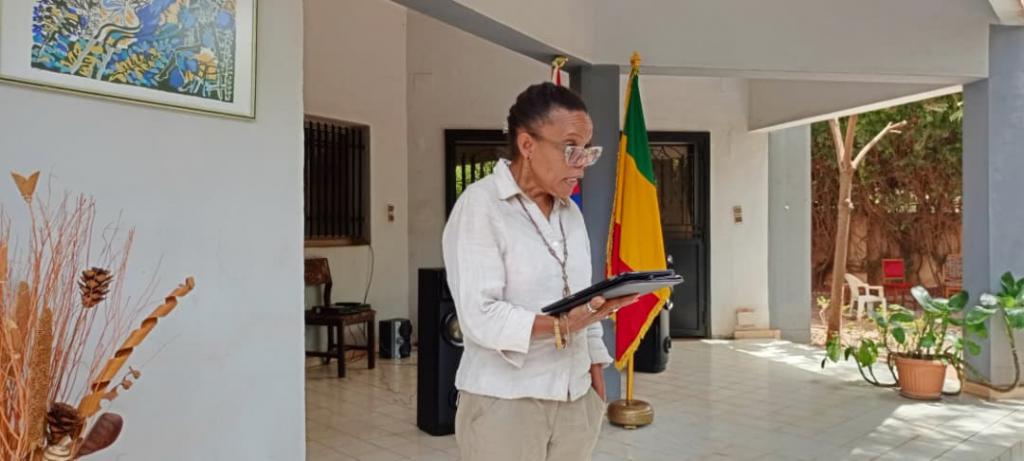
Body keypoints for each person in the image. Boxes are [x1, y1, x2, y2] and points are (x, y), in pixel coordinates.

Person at [442, 82, 637, 461]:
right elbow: (480, 316)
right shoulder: (481, 206)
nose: (582, 162)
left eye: (588, 150)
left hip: (575, 396)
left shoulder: (570, 212)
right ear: (527, 144)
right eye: (571, 147)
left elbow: (583, 298)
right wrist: (562, 326)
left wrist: (596, 373)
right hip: (507, 401)